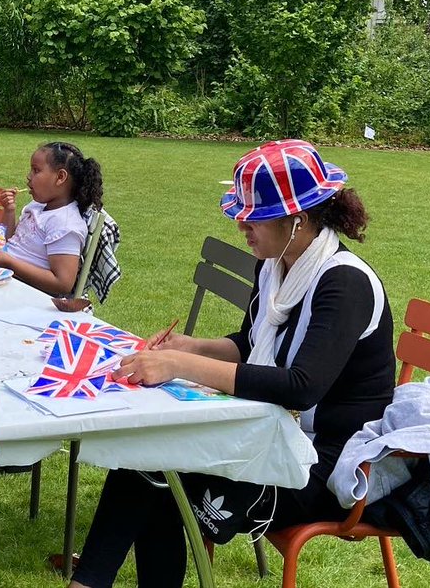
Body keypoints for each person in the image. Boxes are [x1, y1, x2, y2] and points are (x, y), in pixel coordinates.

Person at [68, 139, 396, 588]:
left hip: (330, 463)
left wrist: (179, 365)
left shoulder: (345, 285)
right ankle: (88, 582)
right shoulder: (276, 265)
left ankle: (87, 582)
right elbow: (249, 343)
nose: (242, 225)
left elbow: (301, 386)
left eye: (253, 218)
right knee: (148, 460)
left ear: (297, 221)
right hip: (276, 433)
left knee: (161, 477)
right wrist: (190, 346)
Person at [0, 142, 102, 297]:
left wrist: (9, 263)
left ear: (60, 177)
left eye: (36, 170)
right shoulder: (37, 206)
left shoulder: (65, 223)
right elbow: (10, 241)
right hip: (4, 280)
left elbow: (63, 283)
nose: (29, 176)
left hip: (26, 294)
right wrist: (9, 211)